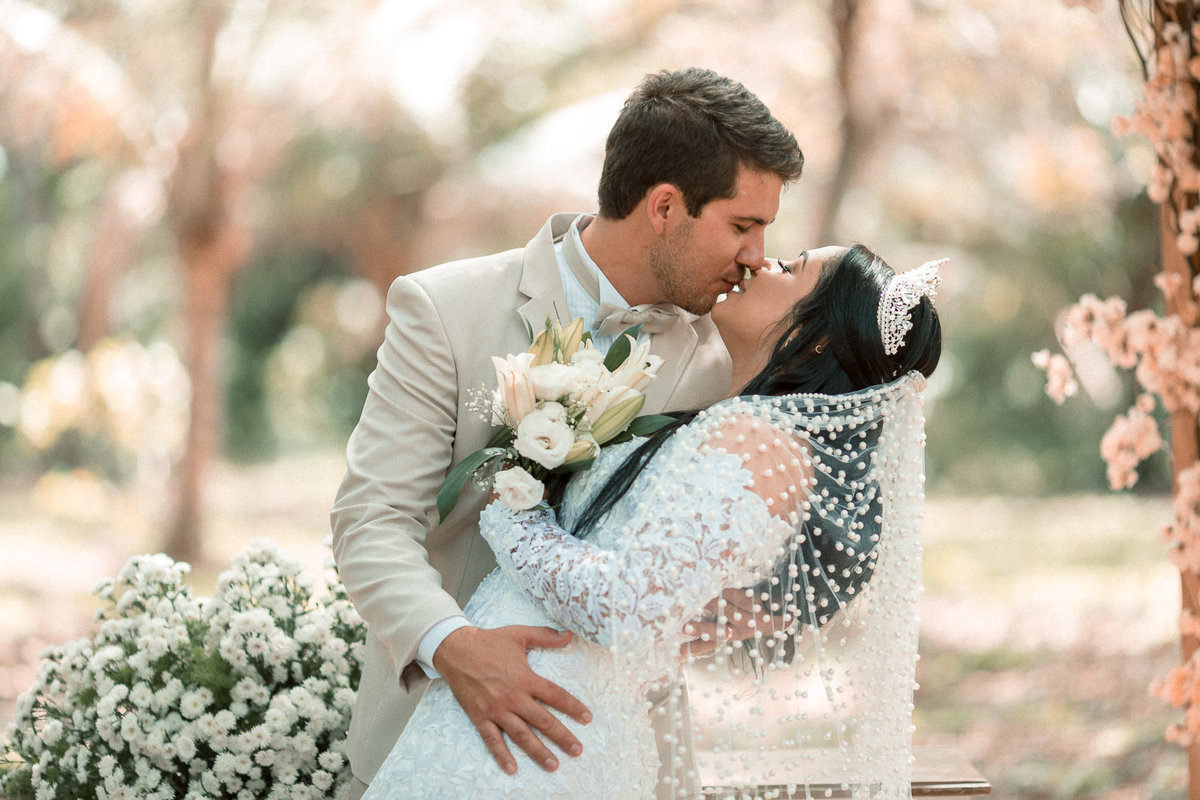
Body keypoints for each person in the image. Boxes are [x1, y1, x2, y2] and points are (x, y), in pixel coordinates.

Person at [330, 67, 804, 799]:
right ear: (665, 206)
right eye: (743, 225)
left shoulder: (728, 353)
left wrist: (741, 606)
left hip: (620, 754)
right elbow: (370, 521)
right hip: (433, 741)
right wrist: (454, 648)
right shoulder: (444, 311)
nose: (756, 255)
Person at [361, 244, 944, 798]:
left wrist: (515, 512)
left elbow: (625, 609)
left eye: (790, 268)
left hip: (543, 728)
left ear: (818, 341)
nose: (762, 260)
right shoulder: (748, 423)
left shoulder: (757, 441)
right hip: (524, 713)